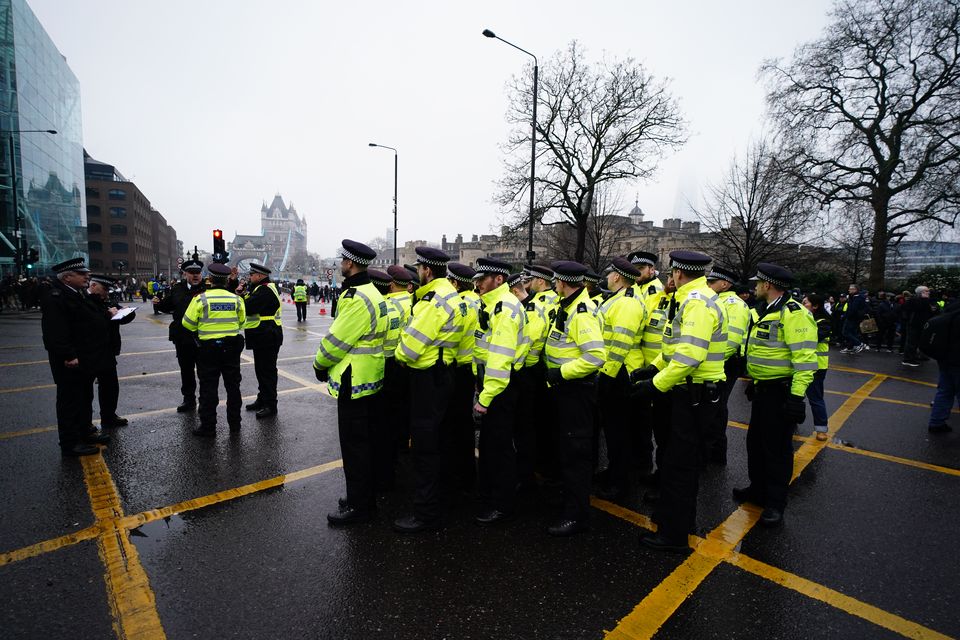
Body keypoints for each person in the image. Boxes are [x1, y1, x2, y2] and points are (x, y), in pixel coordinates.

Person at [631, 251, 727, 552]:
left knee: (681, 465)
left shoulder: (696, 303)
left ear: (678, 273)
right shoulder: (690, 298)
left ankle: (674, 537)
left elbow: (689, 357)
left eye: (671, 273)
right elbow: (674, 347)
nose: (669, 277)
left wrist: (655, 385)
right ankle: (677, 521)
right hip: (690, 392)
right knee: (677, 461)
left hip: (694, 394)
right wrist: (654, 367)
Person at [736, 263, 818, 527]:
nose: (755, 287)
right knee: (756, 444)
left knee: (777, 451)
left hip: (781, 393)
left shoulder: (793, 314)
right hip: (763, 389)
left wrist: (796, 398)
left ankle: (775, 503)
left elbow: (805, 360)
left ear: (768, 285)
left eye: (758, 283)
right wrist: (755, 379)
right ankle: (757, 490)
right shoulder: (765, 311)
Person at [314, 241, 389, 525]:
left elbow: (336, 341)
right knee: (366, 444)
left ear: (351, 264)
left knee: (355, 447)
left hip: (352, 379)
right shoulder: (374, 293)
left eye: (343, 261)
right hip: (370, 378)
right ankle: (362, 498)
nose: (340, 265)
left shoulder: (356, 297)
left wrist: (319, 364)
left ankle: (360, 507)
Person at [393, 247, 466, 533]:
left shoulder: (432, 302)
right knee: (439, 440)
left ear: (426, 271)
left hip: (427, 378)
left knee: (424, 447)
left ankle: (425, 512)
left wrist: (399, 353)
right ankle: (439, 500)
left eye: (420, 268)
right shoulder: (450, 294)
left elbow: (409, 348)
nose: (418, 272)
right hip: (444, 373)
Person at [543, 261, 606, 536]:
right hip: (565, 390)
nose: (554, 285)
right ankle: (570, 501)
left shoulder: (581, 313)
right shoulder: (568, 306)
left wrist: (561, 373)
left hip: (575, 391)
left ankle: (576, 515)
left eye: (556, 281)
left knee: (575, 454)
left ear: (563, 282)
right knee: (566, 450)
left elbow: (595, 356)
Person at [40, 258, 112, 456]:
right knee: (69, 400)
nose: (87, 276)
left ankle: (84, 431)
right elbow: (55, 332)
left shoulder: (75, 293)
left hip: (85, 357)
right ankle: (70, 442)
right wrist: (68, 355)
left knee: (83, 397)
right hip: (70, 361)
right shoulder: (56, 297)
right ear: (67, 277)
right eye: (82, 274)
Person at [471, 257, 524, 525]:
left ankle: (502, 505)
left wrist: (486, 397)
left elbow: (500, 358)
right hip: (493, 383)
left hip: (500, 386)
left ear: (499, 279)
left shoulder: (505, 308)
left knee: (499, 446)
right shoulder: (492, 305)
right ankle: (494, 495)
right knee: (493, 446)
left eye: (483, 279)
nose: (477, 283)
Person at [594, 257, 646, 500]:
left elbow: (620, 343)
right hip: (615, 370)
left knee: (619, 431)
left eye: (609, 275)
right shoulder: (619, 299)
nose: (606, 278)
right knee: (614, 429)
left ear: (616, 277)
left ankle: (620, 482)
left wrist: (607, 375)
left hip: (621, 371)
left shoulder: (626, 303)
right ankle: (614, 472)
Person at [181, 263, 246, 437]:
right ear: (226, 281)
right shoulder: (236, 299)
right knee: (233, 388)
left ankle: (208, 427)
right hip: (231, 349)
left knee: (208, 389)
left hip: (208, 350)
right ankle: (235, 425)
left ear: (209, 279)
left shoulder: (200, 299)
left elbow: (187, 323)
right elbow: (242, 322)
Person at [704, 265, 751, 465]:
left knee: (716, 408)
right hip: (717, 362)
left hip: (725, 363)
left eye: (711, 282)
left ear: (724, 284)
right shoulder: (718, 300)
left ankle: (714, 453)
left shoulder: (734, 304)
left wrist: (709, 362)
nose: (708, 284)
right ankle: (712, 453)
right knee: (713, 408)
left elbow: (731, 341)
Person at [446, 262, 481, 497]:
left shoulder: (459, 304)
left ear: (456, 282)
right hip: (474, 367)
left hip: (458, 368)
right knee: (465, 422)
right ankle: (468, 471)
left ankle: (459, 476)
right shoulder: (479, 301)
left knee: (455, 423)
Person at [155, 259, 206, 412]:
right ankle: (189, 400)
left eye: (198, 273)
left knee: (204, 372)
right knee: (186, 371)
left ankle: (204, 400)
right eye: (192, 273)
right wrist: (158, 303)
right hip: (183, 338)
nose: (195, 276)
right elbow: (167, 306)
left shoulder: (208, 289)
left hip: (202, 337)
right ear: (185, 274)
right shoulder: (177, 289)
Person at [88, 274, 136, 428]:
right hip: (89, 351)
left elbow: (123, 317)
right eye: (104, 289)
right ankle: (85, 424)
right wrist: (107, 315)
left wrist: (128, 312)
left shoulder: (105, 300)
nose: (107, 293)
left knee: (110, 386)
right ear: (93, 286)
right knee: (85, 391)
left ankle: (109, 416)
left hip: (107, 350)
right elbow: (88, 323)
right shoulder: (84, 300)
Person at [239, 263, 283, 418]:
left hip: (267, 335)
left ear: (259, 275)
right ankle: (262, 399)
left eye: (251, 275)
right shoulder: (261, 288)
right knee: (261, 370)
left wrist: (240, 297)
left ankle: (270, 405)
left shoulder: (265, 290)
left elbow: (248, 307)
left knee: (267, 372)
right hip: (263, 335)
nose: (250, 278)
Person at [927, 298, 960, 433]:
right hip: (957, 359)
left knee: (944, 392)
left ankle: (936, 422)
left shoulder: (951, 309)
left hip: (944, 358)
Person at [802, 293, 832, 441]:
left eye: (805, 303)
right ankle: (791, 420)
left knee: (815, 398)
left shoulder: (823, 322)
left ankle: (821, 430)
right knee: (795, 395)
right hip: (799, 364)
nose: (802, 305)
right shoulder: (803, 319)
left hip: (816, 367)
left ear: (815, 306)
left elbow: (812, 338)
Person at [902, 286, 937, 367]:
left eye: (928, 291)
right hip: (914, 324)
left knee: (920, 342)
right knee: (911, 342)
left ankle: (918, 355)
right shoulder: (913, 300)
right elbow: (909, 309)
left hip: (922, 324)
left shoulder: (926, 301)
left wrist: (933, 309)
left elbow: (930, 311)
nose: (928, 292)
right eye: (926, 291)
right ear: (920, 292)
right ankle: (908, 359)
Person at [840, 284, 867, 353]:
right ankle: (850, 347)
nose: (849, 290)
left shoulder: (857, 298)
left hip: (852, 318)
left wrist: (847, 316)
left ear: (855, 290)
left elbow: (853, 309)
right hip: (853, 318)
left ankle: (859, 344)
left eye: (851, 289)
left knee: (845, 332)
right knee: (852, 333)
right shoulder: (854, 297)